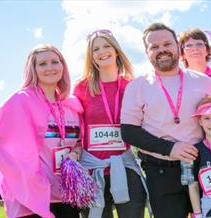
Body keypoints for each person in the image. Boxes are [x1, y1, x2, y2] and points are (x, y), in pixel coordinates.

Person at [120, 22, 211, 218]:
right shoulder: (137, 86)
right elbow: (129, 131)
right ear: (146, 51)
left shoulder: (203, 81)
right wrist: (169, 149)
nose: (162, 50)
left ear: (177, 45)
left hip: (205, 165)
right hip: (160, 172)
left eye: (167, 44)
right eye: (154, 47)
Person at [0, 44, 83, 218]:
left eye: (54, 62)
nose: (50, 67)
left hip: (66, 195)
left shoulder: (72, 104)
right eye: (42, 64)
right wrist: (35, 180)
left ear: (63, 66)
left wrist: (74, 154)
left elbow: (80, 142)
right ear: (33, 69)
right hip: (32, 199)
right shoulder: (21, 101)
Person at [73, 29, 146, 218]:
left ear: (116, 50)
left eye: (106, 46)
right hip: (92, 170)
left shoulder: (132, 86)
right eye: (96, 49)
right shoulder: (81, 88)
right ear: (91, 56)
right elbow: (75, 127)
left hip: (125, 166)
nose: (102, 51)